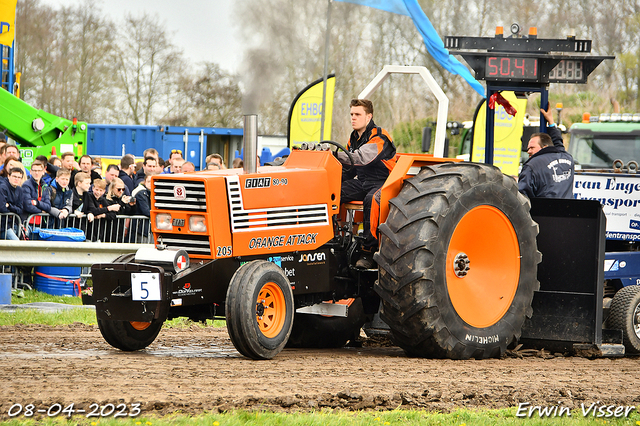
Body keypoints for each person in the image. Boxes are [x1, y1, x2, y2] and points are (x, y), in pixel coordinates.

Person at [336, 99, 397, 269]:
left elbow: (362, 158)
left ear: (368, 116)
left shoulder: (380, 136)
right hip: (363, 182)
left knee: (373, 199)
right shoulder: (353, 138)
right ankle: (334, 239)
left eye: (357, 114)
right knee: (334, 192)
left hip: (384, 183)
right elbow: (349, 168)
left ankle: (368, 251)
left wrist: (333, 155)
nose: (353, 118)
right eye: (351, 115)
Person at [518, 104, 574, 199]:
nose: (528, 151)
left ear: (544, 147)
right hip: (568, 212)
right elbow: (558, 143)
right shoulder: (567, 158)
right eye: (528, 148)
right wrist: (551, 121)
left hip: (543, 212)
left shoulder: (531, 166)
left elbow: (522, 197)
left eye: (532, 148)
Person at [0, 167, 25, 240]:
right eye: (14, 176)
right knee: (17, 243)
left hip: (14, 223)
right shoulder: (2, 187)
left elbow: (20, 209)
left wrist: (9, 206)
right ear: (8, 176)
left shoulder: (20, 190)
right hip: (3, 225)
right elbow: (2, 208)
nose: (16, 179)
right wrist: (13, 211)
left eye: (19, 177)